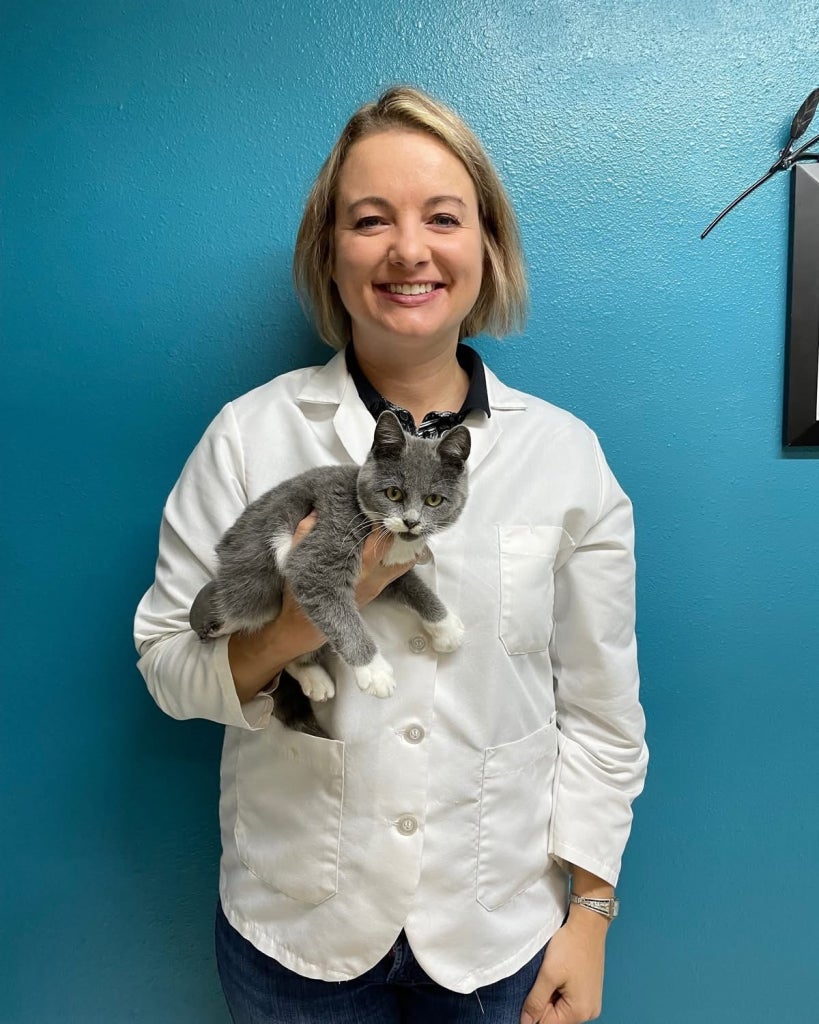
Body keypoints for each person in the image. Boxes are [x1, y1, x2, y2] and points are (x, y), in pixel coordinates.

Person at [134, 86, 648, 1024]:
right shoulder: (249, 435)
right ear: (329, 254)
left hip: (500, 937)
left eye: (442, 218)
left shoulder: (565, 455)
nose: (409, 250)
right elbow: (169, 668)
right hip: (294, 934)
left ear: (486, 246)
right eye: (370, 220)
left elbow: (601, 714)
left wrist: (591, 913)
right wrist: (293, 623)